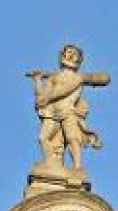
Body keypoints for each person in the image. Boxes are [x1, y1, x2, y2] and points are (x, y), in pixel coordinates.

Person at [28, 43, 110, 175]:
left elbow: (104, 78)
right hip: (51, 112)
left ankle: (77, 168)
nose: (71, 55)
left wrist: (92, 78)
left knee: (72, 139)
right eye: (68, 52)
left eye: (74, 53)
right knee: (43, 138)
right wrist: (37, 80)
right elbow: (41, 98)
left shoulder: (78, 77)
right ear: (62, 56)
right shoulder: (53, 77)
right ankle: (52, 164)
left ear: (79, 60)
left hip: (68, 111)